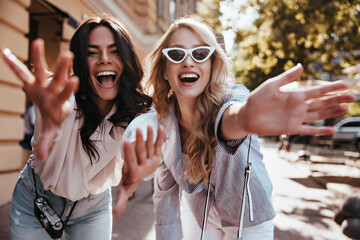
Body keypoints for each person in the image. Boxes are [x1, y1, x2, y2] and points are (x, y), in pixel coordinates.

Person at [144, 18, 356, 240]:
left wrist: (246, 118)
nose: (188, 62)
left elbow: (233, 117)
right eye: (176, 55)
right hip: (199, 213)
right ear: (165, 70)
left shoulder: (234, 97)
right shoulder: (163, 123)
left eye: (200, 54)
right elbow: (165, 199)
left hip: (250, 217)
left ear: (211, 65)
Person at [1, 16, 163, 240]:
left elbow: (144, 128)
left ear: (126, 60)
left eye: (114, 50)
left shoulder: (137, 110)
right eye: (92, 52)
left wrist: (142, 156)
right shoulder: (62, 98)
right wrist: (50, 117)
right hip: (35, 199)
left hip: (92, 207)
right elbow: (58, 105)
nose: (104, 59)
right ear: (79, 62)